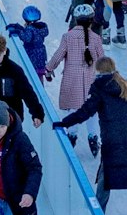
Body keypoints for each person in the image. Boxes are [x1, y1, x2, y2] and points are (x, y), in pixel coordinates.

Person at [55, 55, 127, 215]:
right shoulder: (126, 84)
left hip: (113, 141)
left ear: (98, 71)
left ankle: (98, 211)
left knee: (107, 173)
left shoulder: (99, 89)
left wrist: (64, 123)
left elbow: (85, 112)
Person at [44, 12, 109, 153]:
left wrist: (48, 69)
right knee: (91, 109)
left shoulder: (68, 37)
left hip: (71, 79)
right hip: (90, 80)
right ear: (91, 21)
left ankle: (72, 135)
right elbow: (102, 60)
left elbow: (58, 56)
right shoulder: (96, 38)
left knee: (73, 107)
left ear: (76, 20)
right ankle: (93, 137)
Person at [4, 5, 50, 76]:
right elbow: (32, 34)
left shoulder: (30, 29)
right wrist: (19, 28)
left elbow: (27, 37)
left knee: (32, 75)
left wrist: (18, 32)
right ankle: (40, 85)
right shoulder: (40, 28)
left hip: (32, 56)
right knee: (39, 75)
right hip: (41, 55)